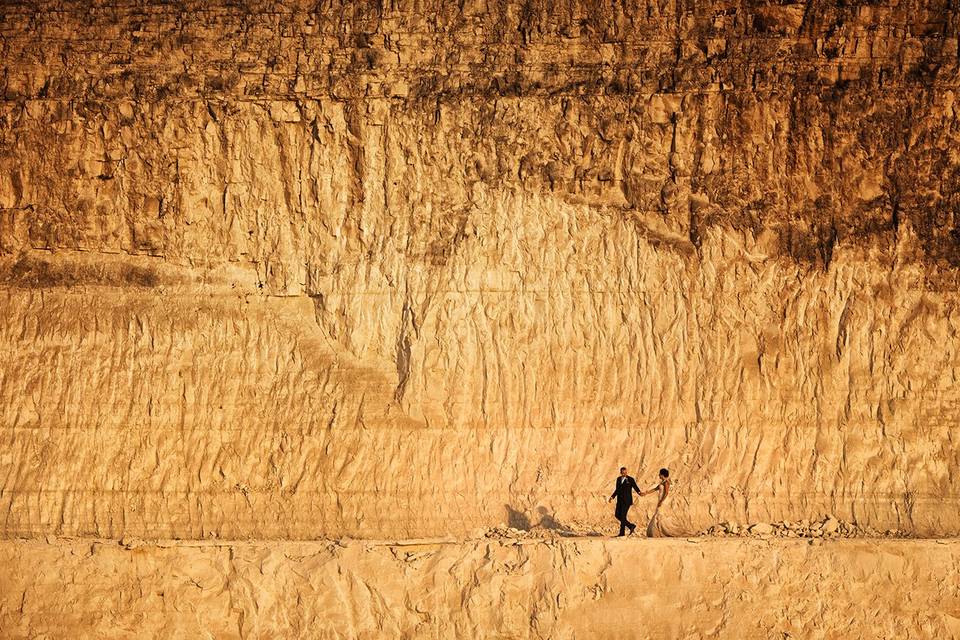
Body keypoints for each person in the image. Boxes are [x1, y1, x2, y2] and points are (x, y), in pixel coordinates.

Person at [608, 466, 642, 536]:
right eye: (623, 473)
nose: (624, 474)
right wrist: (612, 496)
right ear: (621, 473)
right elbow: (617, 489)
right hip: (619, 500)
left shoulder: (630, 479)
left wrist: (639, 492)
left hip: (627, 501)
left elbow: (635, 487)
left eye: (625, 472)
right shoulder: (618, 479)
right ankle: (630, 526)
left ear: (627, 472)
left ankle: (622, 533)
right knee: (617, 515)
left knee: (623, 516)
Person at [639, 468, 673, 537]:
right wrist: (645, 493)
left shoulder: (666, 482)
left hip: (663, 500)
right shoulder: (662, 482)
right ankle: (659, 531)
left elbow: (666, 493)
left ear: (662, 474)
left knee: (660, 514)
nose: (659, 475)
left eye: (660, 474)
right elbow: (655, 489)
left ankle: (662, 531)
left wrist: (661, 501)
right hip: (660, 499)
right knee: (658, 514)